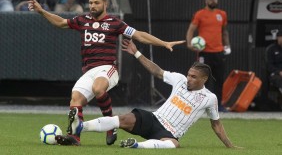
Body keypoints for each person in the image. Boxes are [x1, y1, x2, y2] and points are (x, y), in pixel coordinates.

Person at [28, 0, 185, 146]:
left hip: (107, 68)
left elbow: (139, 35)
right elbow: (61, 22)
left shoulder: (115, 23)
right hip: (89, 71)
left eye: (96, 2)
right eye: (90, 2)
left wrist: (164, 43)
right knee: (75, 99)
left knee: (98, 88)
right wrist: (41, 11)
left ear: (105, 4)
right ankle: (75, 137)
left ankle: (111, 127)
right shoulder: (82, 20)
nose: (92, 6)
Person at [55, 39, 240, 149]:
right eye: (189, 74)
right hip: (153, 119)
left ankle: (136, 146)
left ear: (204, 79)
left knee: (174, 144)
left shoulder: (210, 98)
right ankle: (79, 127)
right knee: (123, 119)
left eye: (193, 77)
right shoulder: (179, 80)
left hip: (169, 132)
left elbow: (216, 124)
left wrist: (230, 146)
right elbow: (157, 71)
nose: (188, 78)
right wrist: (136, 54)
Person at [186, 0, 231, 112]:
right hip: (204, 53)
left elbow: (225, 31)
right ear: (206, 0)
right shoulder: (200, 14)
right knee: (201, 79)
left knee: (219, 79)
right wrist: (190, 44)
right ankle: (199, 105)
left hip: (219, 52)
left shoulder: (222, 14)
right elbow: (191, 30)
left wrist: (227, 45)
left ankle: (218, 105)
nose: (213, 0)